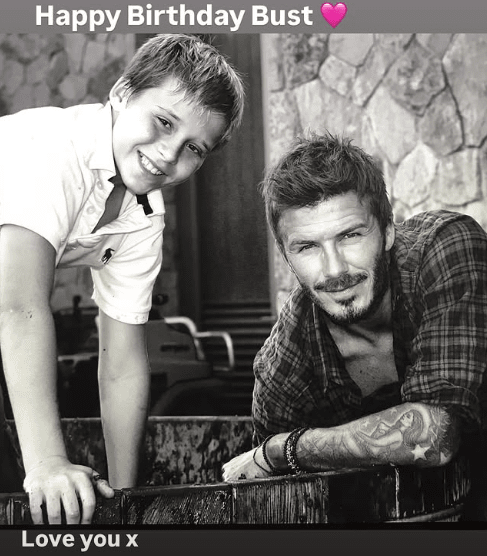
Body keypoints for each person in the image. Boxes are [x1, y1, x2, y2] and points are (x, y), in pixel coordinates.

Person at [0, 33, 244, 525]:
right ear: (122, 93)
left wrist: (125, 503)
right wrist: (47, 463)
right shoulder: (52, 150)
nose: (168, 155)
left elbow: (123, 362)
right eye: (164, 122)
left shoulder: (144, 216)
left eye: (193, 148)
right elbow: (20, 306)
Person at [222, 133, 487, 518]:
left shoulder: (445, 249)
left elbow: (434, 435)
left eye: (350, 235)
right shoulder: (283, 364)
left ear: (388, 230)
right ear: (286, 256)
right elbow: (275, 501)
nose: (334, 270)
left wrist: (285, 450)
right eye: (307, 246)